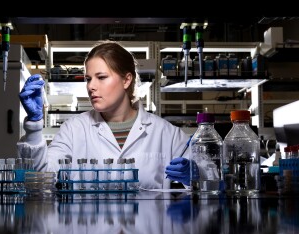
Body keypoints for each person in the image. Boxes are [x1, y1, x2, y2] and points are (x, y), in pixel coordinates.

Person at [17, 40, 191, 189]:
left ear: (126, 80)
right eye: (88, 78)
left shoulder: (166, 133)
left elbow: (209, 177)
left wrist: (193, 174)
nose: (91, 86)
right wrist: (34, 126)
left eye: (101, 77)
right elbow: (40, 180)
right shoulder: (74, 129)